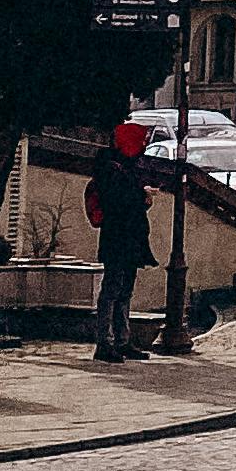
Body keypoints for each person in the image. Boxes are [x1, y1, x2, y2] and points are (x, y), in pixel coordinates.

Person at [85, 120, 154, 362]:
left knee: (124, 290)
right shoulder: (112, 169)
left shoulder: (125, 167)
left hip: (129, 238)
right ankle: (105, 342)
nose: (144, 147)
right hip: (119, 238)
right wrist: (142, 197)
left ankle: (122, 340)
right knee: (113, 290)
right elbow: (120, 203)